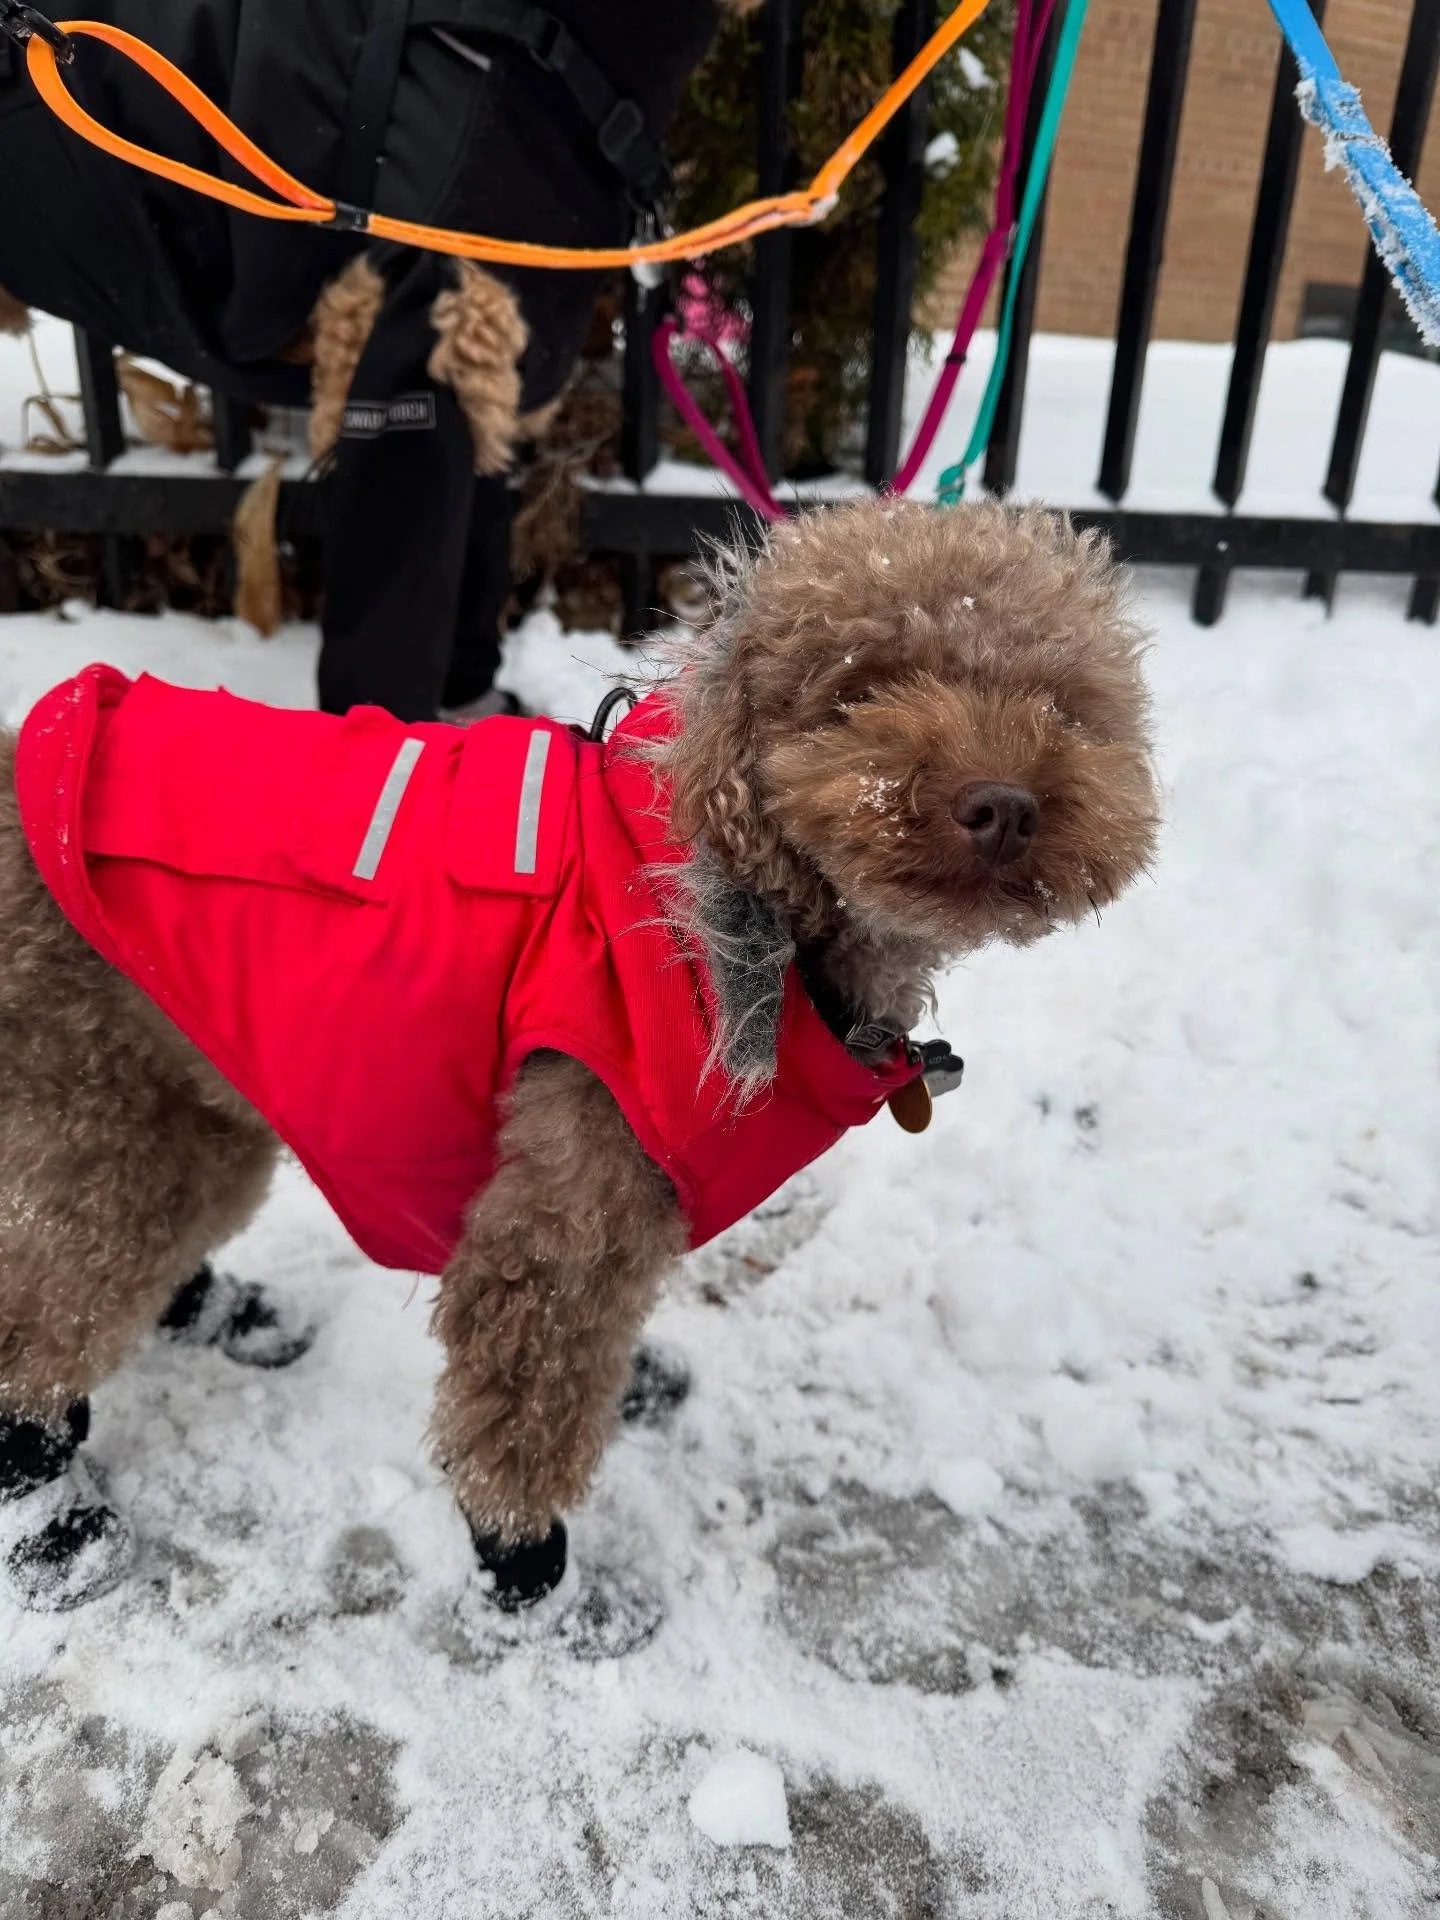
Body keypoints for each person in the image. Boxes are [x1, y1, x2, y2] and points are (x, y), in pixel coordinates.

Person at [0, 0, 726, 718]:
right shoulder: (486, 92)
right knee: (423, 384)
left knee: (454, 387)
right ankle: (392, 759)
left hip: (528, 82)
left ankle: (456, 696)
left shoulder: (536, 80)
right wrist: (384, 752)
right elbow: (409, 427)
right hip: (56, 101)